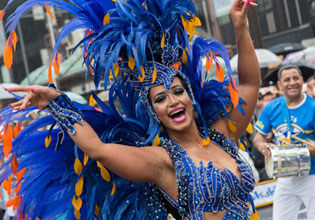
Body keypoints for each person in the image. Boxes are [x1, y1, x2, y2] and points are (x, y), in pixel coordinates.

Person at [0, 0, 261, 219]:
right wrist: (56, 102)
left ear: (191, 98)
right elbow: (97, 149)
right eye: (160, 99)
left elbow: (249, 84)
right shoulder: (163, 162)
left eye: (178, 91)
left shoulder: (223, 136)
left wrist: (241, 27)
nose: (172, 101)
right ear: (154, 111)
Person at [253, 65, 315, 220]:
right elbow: (258, 136)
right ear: (279, 85)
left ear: (302, 81)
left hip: (314, 175)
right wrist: (261, 145)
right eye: (287, 79)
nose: (292, 82)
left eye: (296, 78)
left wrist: (297, 153)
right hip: (286, 176)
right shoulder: (272, 107)